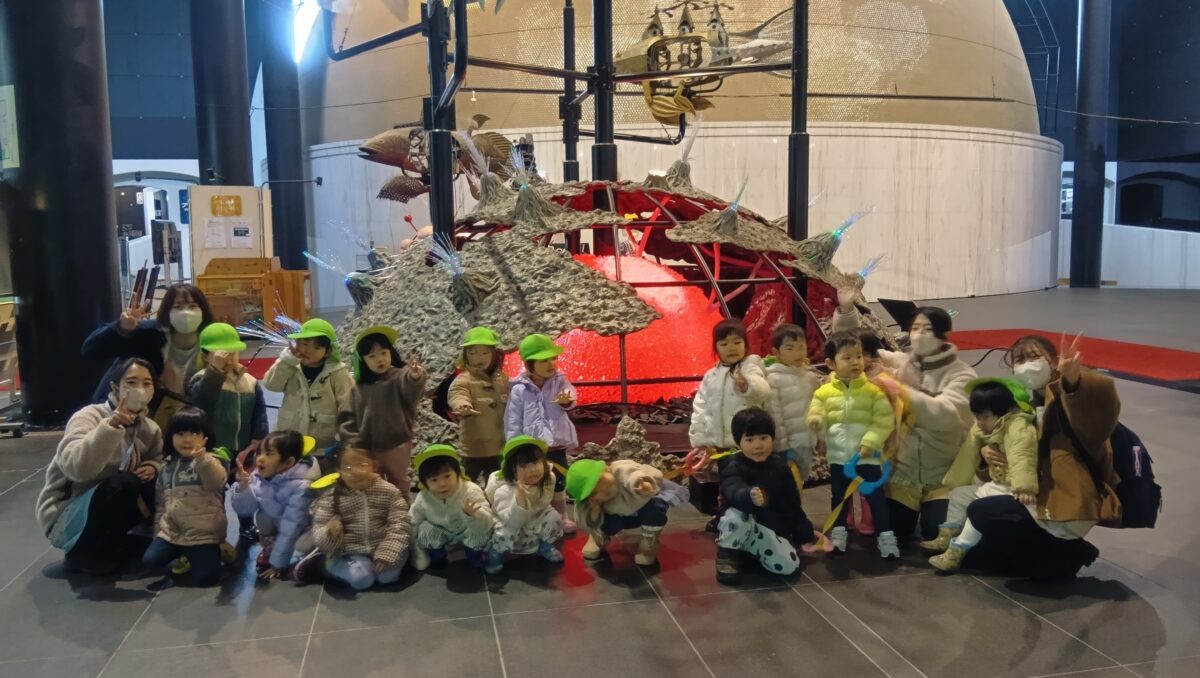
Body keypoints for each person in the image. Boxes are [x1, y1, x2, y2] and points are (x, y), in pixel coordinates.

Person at [961, 334, 1116, 581]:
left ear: (1053, 361)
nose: (1027, 365)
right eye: (1019, 360)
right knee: (974, 556)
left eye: (1034, 357)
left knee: (983, 512)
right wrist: (986, 452)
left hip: (1062, 494)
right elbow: (1000, 439)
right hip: (1028, 490)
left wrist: (1074, 381)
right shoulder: (1021, 403)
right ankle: (1055, 553)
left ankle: (1068, 553)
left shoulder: (1069, 397)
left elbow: (1096, 418)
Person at [833, 303, 976, 541]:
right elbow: (857, 347)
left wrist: (898, 389)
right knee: (892, 529)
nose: (919, 335)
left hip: (943, 475)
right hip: (903, 474)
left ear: (944, 334)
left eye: (927, 329)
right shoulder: (904, 363)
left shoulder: (962, 374)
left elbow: (946, 415)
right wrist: (847, 311)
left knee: (934, 532)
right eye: (915, 328)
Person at [37, 358, 163, 575]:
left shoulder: (149, 428)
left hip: (106, 511)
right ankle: (80, 554)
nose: (140, 389)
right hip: (66, 517)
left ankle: (109, 544)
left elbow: (159, 458)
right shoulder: (88, 417)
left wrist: (153, 467)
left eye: (147, 383)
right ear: (115, 387)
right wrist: (111, 427)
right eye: (131, 382)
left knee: (153, 482)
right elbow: (77, 468)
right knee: (123, 483)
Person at [924, 379, 1038, 572]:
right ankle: (947, 535)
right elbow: (967, 453)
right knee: (960, 494)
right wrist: (954, 481)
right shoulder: (987, 427)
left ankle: (957, 551)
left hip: (1013, 488)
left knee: (978, 509)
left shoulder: (1018, 427)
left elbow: (1022, 456)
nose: (979, 422)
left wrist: (1024, 487)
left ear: (1004, 412)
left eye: (985, 417)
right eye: (976, 416)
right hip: (999, 483)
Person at [807, 331, 898, 557]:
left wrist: (871, 442)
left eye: (858, 356)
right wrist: (816, 420)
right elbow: (816, 411)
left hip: (867, 458)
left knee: (876, 498)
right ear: (831, 363)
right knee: (839, 498)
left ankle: (886, 536)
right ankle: (839, 533)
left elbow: (884, 420)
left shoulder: (873, 391)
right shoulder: (823, 392)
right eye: (847, 357)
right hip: (839, 458)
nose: (856, 362)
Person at [81, 283, 213, 425]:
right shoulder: (148, 334)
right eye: (178, 306)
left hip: (185, 417)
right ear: (167, 311)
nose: (186, 313)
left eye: (193, 306)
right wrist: (122, 328)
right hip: (127, 412)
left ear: (203, 311)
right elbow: (90, 349)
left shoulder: (212, 341)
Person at [715, 408, 816, 585]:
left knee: (788, 566)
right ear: (739, 443)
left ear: (772, 438)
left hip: (766, 530)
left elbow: (792, 503)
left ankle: (753, 553)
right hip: (742, 521)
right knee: (734, 516)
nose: (758, 445)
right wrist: (748, 495)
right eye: (750, 440)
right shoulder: (733, 465)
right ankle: (728, 555)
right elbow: (732, 488)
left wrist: (803, 532)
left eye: (763, 438)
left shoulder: (780, 467)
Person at [187, 322, 268, 539]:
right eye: (221, 354)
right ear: (206, 356)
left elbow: (260, 411)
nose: (229, 358)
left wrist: (259, 438)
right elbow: (200, 402)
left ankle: (246, 523)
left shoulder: (250, 381)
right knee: (215, 491)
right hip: (214, 448)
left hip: (244, 448)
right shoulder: (202, 379)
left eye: (232, 352)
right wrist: (215, 372)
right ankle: (214, 527)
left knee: (244, 488)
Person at [295, 446, 411, 590]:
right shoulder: (332, 497)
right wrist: (329, 532)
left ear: (374, 466)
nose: (355, 472)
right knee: (362, 580)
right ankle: (325, 564)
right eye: (347, 467)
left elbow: (400, 523)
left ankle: (383, 561)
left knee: (387, 577)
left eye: (362, 465)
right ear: (339, 471)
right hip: (352, 551)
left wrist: (388, 552)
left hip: (383, 543)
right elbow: (319, 530)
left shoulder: (389, 492)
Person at [141, 408, 230, 587]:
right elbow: (161, 503)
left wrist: (202, 459)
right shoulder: (167, 466)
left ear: (205, 436)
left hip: (203, 534)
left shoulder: (211, 460)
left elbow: (216, 483)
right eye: (180, 433)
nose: (187, 439)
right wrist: (158, 532)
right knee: (150, 560)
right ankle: (183, 554)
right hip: (173, 532)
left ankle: (217, 550)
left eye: (194, 433)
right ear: (171, 437)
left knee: (206, 579)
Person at [338, 326, 427, 502]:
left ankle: (401, 511)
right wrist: (353, 441)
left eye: (384, 353)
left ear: (391, 353)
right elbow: (347, 417)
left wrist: (415, 377)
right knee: (371, 484)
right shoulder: (359, 388)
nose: (380, 359)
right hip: (368, 448)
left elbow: (411, 390)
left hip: (397, 444)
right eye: (372, 356)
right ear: (363, 360)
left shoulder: (399, 376)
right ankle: (378, 512)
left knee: (399, 482)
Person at [504, 333, 578, 534]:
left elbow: (571, 394)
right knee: (535, 480)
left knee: (559, 482)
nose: (551, 363)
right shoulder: (519, 390)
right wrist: (514, 445)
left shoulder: (559, 381)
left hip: (555, 443)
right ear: (529, 364)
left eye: (553, 358)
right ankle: (537, 516)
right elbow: (513, 419)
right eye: (544, 360)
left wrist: (567, 400)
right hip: (533, 445)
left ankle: (561, 516)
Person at [263, 318, 355, 468]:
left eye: (316, 347)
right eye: (304, 344)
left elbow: (348, 406)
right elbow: (271, 384)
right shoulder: (290, 366)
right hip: (290, 442)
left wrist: (342, 438)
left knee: (323, 476)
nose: (308, 350)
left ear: (327, 351)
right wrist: (287, 361)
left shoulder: (337, 372)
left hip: (323, 445)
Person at [231, 430, 322, 581]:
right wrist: (244, 486)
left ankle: (317, 559)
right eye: (260, 452)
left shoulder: (302, 487)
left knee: (302, 545)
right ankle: (271, 550)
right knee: (263, 517)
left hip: (304, 530)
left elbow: (291, 527)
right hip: (281, 523)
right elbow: (245, 510)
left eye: (268, 454)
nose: (260, 458)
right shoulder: (259, 477)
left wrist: (277, 565)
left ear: (288, 463)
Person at [483, 435, 565, 574]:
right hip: (510, 522)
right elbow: (511, 521)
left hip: (536, 516)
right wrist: (520, 500)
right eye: (523, 465)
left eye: (536, 462)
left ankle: (545, 546)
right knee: (503, 533)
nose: (533, 469)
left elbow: (545, 502)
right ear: (512, 470)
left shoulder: (548, 479)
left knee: (554, 517)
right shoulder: (504, 489)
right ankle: (497, 553)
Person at [408, 445, 496, 571]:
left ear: (458, 474)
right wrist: (415, 549)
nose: (442, 484)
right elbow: (413, 520)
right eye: (434, 480)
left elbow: (488, 522)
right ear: (425, 483)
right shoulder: (424, 497)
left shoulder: (470, 490)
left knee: (479, 531)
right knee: (425, 529)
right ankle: (438, 558)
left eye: (447, 476)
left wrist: (474, 516)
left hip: (466, 529)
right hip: (441, 529)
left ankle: (475, 558)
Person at [567, 458, 668, 567]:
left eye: (600, 480)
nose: (602, 489)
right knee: (594, 517)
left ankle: (649, 543)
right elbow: (584, 518)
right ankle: (597, 535)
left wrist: (640, 484)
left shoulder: (619, 469)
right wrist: (595, 509)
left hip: (638, 507)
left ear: (606, 469)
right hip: (617, 517)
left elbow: (631, 474)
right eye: (594, 492)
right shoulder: (595, 502)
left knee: (654, 505)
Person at [689, 318, 770, 451]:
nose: (731, 348)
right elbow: (700, 409)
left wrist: (748, 385)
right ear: (716, 348)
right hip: (717, 445)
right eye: (724, 344)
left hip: (748, 444)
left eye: (737, 342)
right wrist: (700, 441)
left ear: (746, 345)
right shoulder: (711, 375)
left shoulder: (750, 367)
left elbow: (763, 392)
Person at [448, 326, 510, 484]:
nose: (479, 358)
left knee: (498, 484)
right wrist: (462, 405)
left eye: (485, 352)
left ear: (494, 354)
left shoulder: (502, 378)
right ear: (465, 355)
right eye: (473, 353)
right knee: (466, 484)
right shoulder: (464, 379)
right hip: (473, 448)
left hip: (499, 445)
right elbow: (458, 394)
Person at [764, 323, 821, 482]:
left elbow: (817, 408)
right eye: (790, 349)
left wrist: (819, 437)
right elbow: (775, 415)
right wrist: (782, 446)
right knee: (786, 483)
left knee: (800, 481)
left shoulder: (810, 377)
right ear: (776, 352)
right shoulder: (773, 379)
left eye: (801, 347)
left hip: (806, 441)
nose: (798, 353)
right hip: (787, 445)